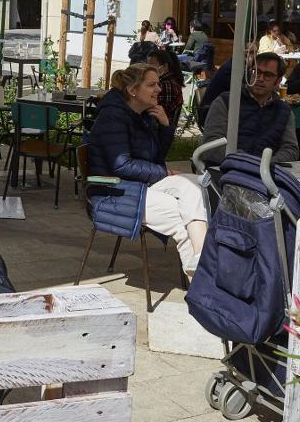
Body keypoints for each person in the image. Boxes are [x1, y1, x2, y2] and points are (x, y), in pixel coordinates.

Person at [86, 63, 209, 277]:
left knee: (196, 185)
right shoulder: (113, 117)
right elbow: (121, 165)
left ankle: (201, 261)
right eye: (152, 85)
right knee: (183, 217)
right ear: (133, 91)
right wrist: (163, 172)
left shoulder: (143, 116)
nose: (159, 89)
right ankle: (203, 283)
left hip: (138, 185)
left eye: (158, 84)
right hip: (113, 191)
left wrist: (164, 125)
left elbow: (156, 157)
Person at [202, 52, 300, 166]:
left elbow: (291, 149)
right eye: (256, 72)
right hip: (226, 170)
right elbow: (211, 145)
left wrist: (265, 165)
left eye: (267, 75)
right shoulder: (227, 101)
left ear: (278, 82)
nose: (260, 78)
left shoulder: (284, 111)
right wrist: (245, 162)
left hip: (266, 174)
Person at [147, 47, 185, 126]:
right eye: (146, 66)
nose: (147, 69)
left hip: (159, 129)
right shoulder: (171, 80)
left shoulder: (165, 85)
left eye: (151, 66)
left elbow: (154, 111)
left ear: (164, 66)